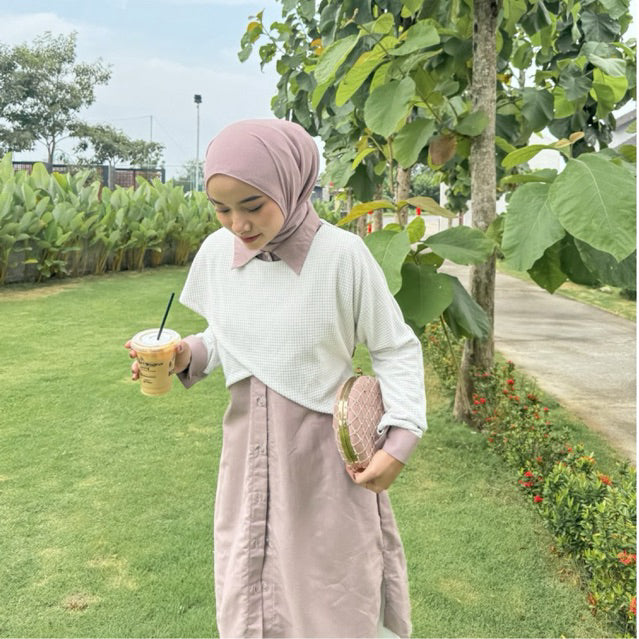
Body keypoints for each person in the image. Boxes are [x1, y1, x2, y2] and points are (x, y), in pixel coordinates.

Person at [125, 119, 427, 638]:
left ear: (291, 183)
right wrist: (183, 355)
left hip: (323, 459)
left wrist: (399, 441)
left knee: (330, 591)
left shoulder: (342, 256)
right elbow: (230, 336)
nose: (237, 224)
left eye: (252, 204)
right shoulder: (218, 253)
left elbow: (394, 346)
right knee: (251, 585)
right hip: (246, 452)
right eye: (221, 208)